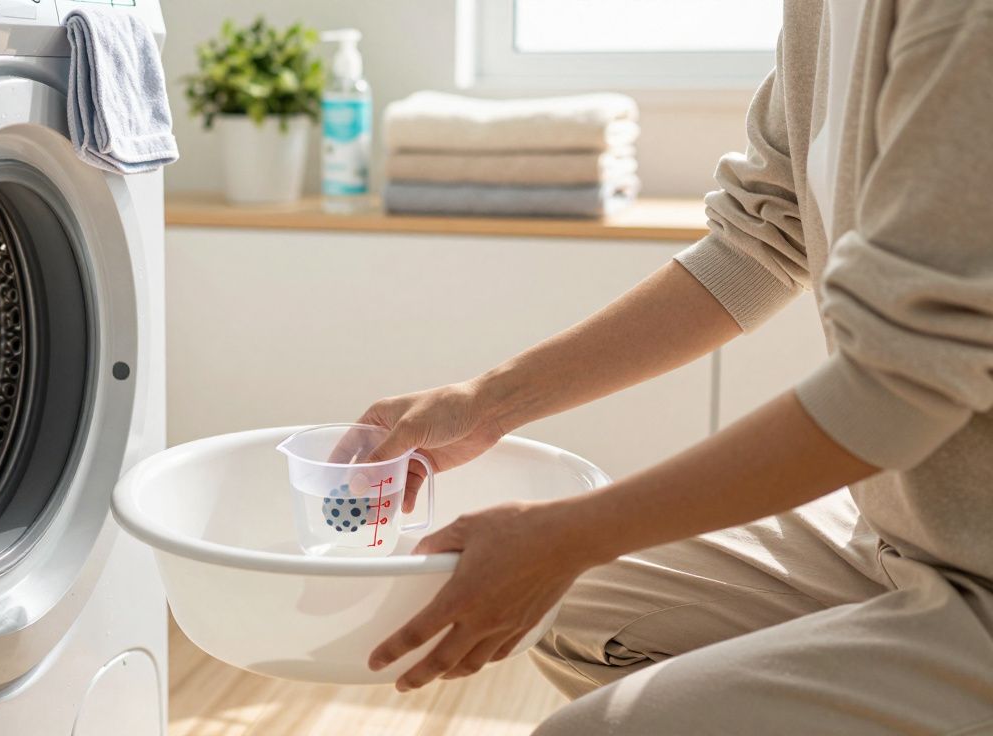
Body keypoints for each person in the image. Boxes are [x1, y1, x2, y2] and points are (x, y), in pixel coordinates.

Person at [359, 2, 993, 733]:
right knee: (570, 614)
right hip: (902, 529)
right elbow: (758, 242)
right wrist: (487, 402)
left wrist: (567, 535)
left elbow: (895, 388)